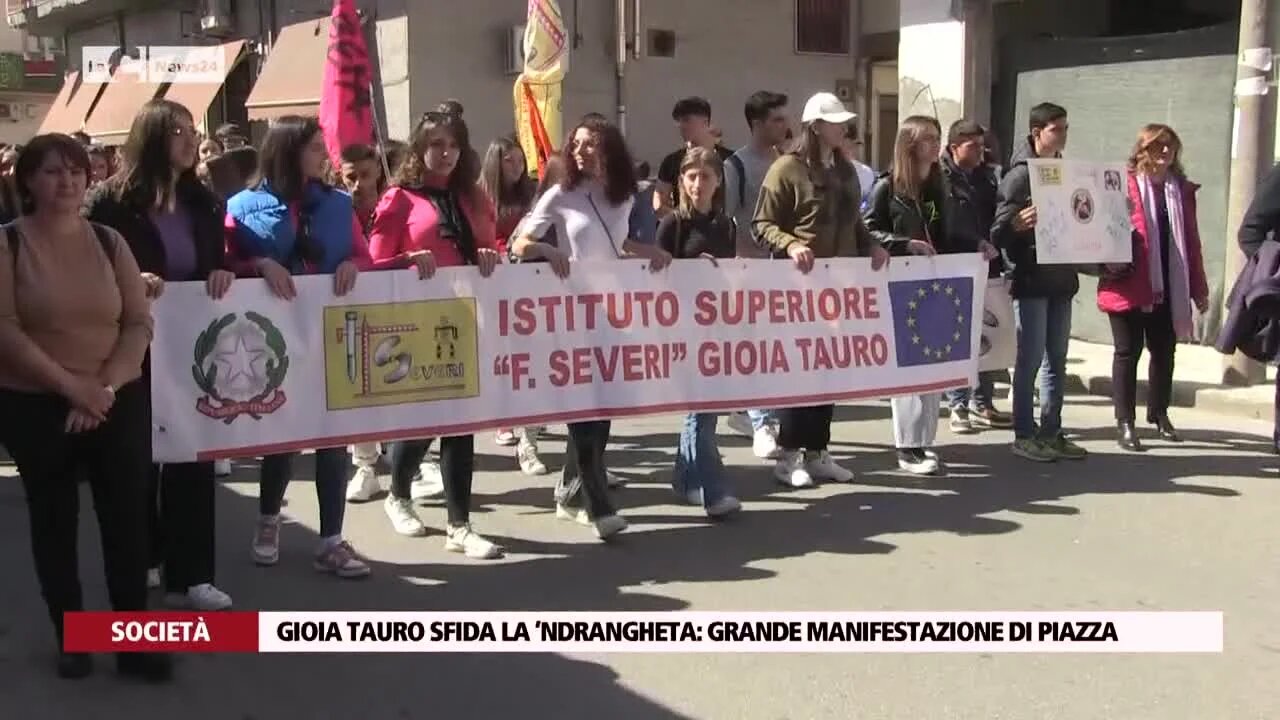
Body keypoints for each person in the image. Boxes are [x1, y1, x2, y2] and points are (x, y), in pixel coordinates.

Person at [0, 133, 171, 681]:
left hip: (113, 399)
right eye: (52, 172)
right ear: (27, 180)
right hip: (35, 403)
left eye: (76, 171)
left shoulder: (109, 241)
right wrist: (74, 390)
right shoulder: (8, 246)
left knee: (126, 524)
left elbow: (136, 322)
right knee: (55, 523)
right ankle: (72, 637)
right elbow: (7, 332)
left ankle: (133, 643)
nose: (67, 181)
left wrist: (104, 389)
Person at [85, 99, 236, 610]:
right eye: (180, 131)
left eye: (195, 131)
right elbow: (85, 264)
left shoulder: (203, 200)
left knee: (192, 456)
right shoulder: (108, 203)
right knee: (137, 458)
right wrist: (129, 281)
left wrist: (223, 272)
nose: (192, 140)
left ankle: (192, 575)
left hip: (193, 344)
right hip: (130, 347)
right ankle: (146, 555)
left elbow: (217, 259)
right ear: (151, 137)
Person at [225, 115, 372, 578]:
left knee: (333, 438)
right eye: (313, 148)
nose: (323, 156)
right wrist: (260, 264)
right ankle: (269, 520)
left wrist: (353, 263)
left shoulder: (337, 204)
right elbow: (225, 262)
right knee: (282, 438)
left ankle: (331, 539)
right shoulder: (241, 206)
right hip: (271, 337)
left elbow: (362, 252)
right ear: (288, 151)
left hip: (330, 332)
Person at [512, 115, 672, 539]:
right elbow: (518, 243)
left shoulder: (623, 196)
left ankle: (569, 492)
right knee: (584, 408)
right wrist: (546, 248)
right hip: (571, 313)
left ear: (609, 149)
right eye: (577, 144)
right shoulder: (560, 195)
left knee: (603, 409)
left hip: (613, 313)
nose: (581, 151)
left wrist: (646, 251)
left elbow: (614, 244)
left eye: (591, 144)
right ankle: (599, 505)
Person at [367, 111, 504, 558]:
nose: (445, 152)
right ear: (420, 149)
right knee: (425, 423)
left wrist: (491, 256)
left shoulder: (474, 197)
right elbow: (373, 263)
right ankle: (399, 493)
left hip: (469, 318)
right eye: (436, 144)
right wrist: (407, 259)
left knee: (461, 425)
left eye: (453, 144)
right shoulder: (399, 199)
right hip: (417, 322)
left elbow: (496, 245)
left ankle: (459, 525)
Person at [754, 92, 890, 487]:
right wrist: (791, 243)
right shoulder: (786, 169)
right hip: (798, 288)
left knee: (829, 369)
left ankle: (818, 452)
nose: (843, 127)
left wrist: (872, 246)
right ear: (816, 126)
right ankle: (790, 455)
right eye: (835, 122)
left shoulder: (846, 170)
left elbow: (855, 222)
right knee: (801, 370)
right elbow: (762, 224)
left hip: (840, 286)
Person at [1099, 124, 1208, 451]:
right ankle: (1125, 422)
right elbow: (1103, 231)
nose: (1164, 153)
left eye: (1170, 147)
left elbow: (1191, 242)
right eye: (1158, 147)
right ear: (1142, 150)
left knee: (1164, 352)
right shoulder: (1123, 185)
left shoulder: (1181, 190)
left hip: (1168, 286)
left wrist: (1198, 288)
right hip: (1128, 284)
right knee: (1127, 352)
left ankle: (1159, 414)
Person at [992, 102, 1088, 463]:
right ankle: (1024, 433)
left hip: (1062, 280)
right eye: (1056, 128)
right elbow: (997, 231)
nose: (1063, 134)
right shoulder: (1019, 176)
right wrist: (1016, 225)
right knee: (1030, 359)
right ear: (1037, 133)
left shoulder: (1066, 172)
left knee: (1057, 361)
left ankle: (1052, 430)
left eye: (1065, 128)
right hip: (1031, 281)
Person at [658, 147, 742, 517]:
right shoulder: (672, 225)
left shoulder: (726, 225)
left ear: (717, 182)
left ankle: (684, 479)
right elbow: (654, 274)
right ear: (681, 182)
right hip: (683, 328)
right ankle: (711, 489)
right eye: (691, 177)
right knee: (701, 411)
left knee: (704, 408)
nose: (697, 184)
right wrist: (688, 269)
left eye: (705, 177)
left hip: (716, 327)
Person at [722, 90, 789, 460]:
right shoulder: (737, 166)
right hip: (751, 270)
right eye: (777, 119)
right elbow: (726, 221)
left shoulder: (790, 163)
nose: (784, 125)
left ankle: (758, 414)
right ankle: (762, 422)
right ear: (758, 124)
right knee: (757, 349)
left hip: (788, 271)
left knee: (781, 351)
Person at [478, 135, 550, 464]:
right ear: (496, 162)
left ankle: (531, 420)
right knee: (504, 355)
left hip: (532, 281)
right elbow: (481, 237)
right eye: (509, 160)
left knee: (531, 354)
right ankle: (505, 418)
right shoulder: (482, 197)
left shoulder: (533, 194)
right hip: (498, 281)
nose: (518, 166)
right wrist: (503, 248)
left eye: (520, 159)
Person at [940, 119, 1011, 432]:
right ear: (955, 147)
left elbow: (995, 216)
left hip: (987, 264)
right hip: (953, 265)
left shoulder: (987, 178)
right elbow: (940, 221)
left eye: (982, 145)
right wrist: (970, 242)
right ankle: (958, 405)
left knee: (988, 335)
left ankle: (983, 401)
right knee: (958, 337)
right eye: (972, 145)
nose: (980, 150)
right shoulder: (939, 179)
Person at [654, 97, 735, 218]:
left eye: (687, 120)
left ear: (705, 122)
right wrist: (680, 220)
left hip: (723, 230)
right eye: (679, 121)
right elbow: (659, 200)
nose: (681, 126)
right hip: (685, 231)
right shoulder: (672, 161)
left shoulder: (730, 160)